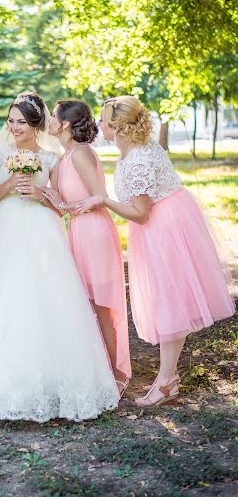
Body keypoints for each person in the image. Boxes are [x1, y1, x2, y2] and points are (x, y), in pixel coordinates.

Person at [0, 92, 120, 422]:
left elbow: (59, 205)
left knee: (44, 302)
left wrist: (40, 194)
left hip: (42, 231)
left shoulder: (51, 159)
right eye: (11, 120)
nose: (14, 127)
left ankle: (51, 379)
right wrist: (11, 184)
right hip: (0, 230)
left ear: (36, 124)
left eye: (21, 122)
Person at [75, 96, 235, 407]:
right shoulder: (137, 148)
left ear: (118, 127)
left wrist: (103, 200)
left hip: (162, 228)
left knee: (168, 300)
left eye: (103, 120)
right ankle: (168, 378)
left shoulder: (138, 159)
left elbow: (140, 213)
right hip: (167, 220)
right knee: (170, 300)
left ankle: (165, 382)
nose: (98, 125)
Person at [43, 100, 131, 395]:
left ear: (65, 124)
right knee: (88, 304)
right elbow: (60, 201)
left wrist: (62, 204)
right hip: (79, 232)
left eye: (53, 117)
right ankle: (101, 367)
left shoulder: (80, 154)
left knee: (102, 305)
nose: (50, 121)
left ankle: (117, 374)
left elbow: (98, 196)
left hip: (94, 232)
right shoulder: (65, 156)